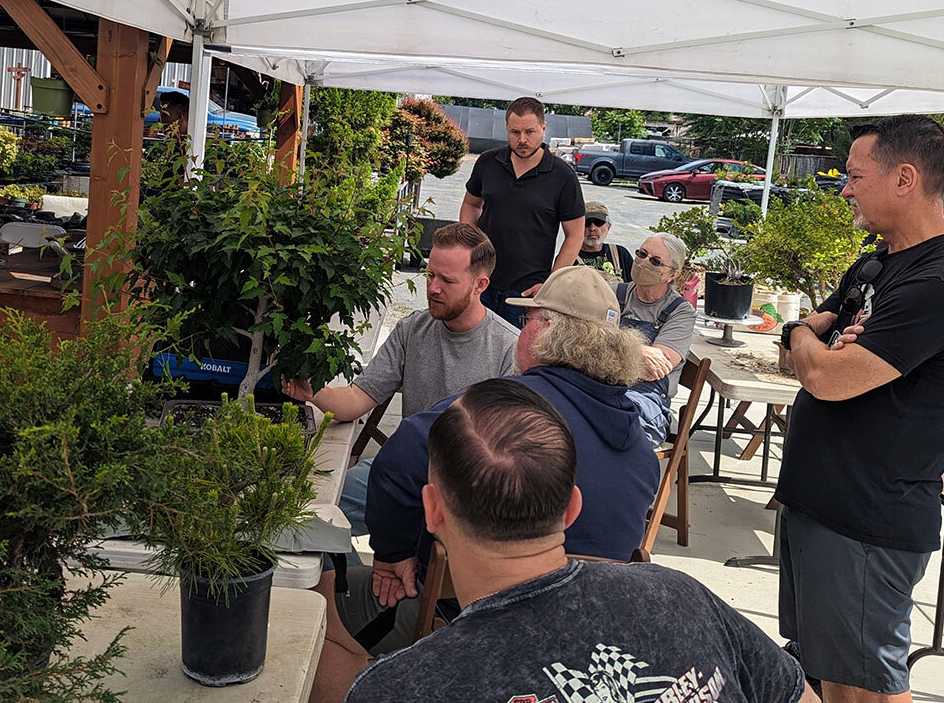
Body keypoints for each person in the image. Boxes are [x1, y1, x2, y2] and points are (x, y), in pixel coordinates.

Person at [344, 379, 818, 703]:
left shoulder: (401, 688)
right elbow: (795, 694)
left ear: (432, 511)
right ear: (572, 508)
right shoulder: (681, 594)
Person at [308, 266, 659, 703]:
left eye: (528, 318)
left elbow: (399, 460)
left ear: (546, 329)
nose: (522, 329)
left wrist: (393, 554)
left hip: (468, 619)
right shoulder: (643, 453)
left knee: (314, 606)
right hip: (581, 644)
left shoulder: (503, 406)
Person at [775, 115, 944, 703]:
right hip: (821, 506)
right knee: (826, 675)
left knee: (865, 688)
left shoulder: (936, 282)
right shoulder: (875, 263)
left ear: (905, 178)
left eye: (854, 176)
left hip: (868, 521)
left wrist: (805, 334)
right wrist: (811, 340)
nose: (845, 189)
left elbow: (824, 374)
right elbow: (802, 356)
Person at [283, 223, 519, 550]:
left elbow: (507, 457)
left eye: (447, 280)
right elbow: (356, 398)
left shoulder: (509, 349)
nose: (433, 288)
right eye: (430, 275)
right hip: (403, 471)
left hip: (465, 489)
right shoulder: (413, 329)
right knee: (311, 515)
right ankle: (342, 582)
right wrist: (314, 393)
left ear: (480, 285)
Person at [460, 97, 586, 327]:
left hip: (526, 293)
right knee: (472, 344)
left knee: (517, 350)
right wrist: (469, 245)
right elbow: (471, 204)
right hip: (480, 281)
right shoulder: (488, 162)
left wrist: (551, 284)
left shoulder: (563, 176)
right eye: (515, 132)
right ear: (506, 128)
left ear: (543, 128)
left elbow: (575, 235)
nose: (522, 140)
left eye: (530, 132)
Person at [614, 232, 696, 444]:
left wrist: (608, 345)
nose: (643, 262)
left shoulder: (680, 312)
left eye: (655, 261)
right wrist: (640, 350)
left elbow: (653, 370)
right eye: (641, 254)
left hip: (645, 400)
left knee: (616, 427)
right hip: (604, 388)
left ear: (673, 274)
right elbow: (583, 343)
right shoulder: (614, 293)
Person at [578, 201, 634, 281]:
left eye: (598, 222)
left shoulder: (621, 254)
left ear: (609, 226)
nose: (592, 228)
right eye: (587, 223)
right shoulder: (569, 257)